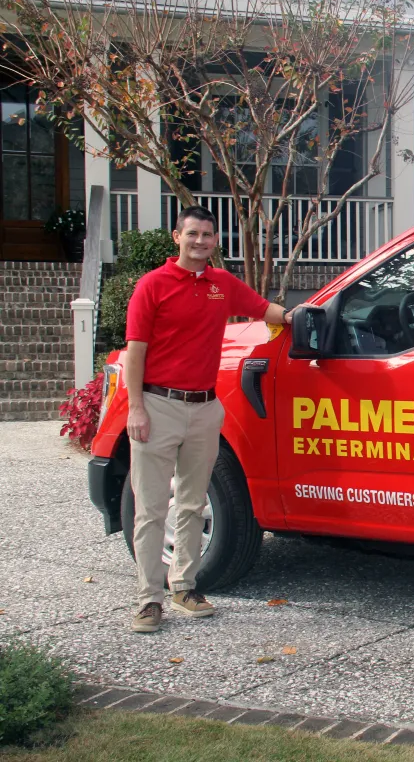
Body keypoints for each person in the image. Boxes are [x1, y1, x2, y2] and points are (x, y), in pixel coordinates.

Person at [125, 206, 299, 633]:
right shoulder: (153, 286)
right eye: (192, 234)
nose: (200, 241)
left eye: (207, 234)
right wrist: (135, 408)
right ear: (176, 237)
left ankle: (184, 587)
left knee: (191, 501)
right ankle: (149, 600)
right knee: (151, 510)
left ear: (216, 240)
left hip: (205, 408)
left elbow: (264, 310)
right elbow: (135, 351)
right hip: (158, 405)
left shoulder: (222, 285)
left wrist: (297, 317)